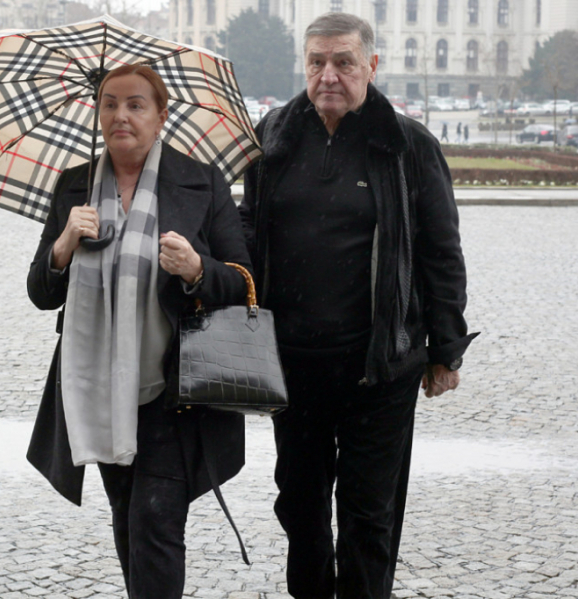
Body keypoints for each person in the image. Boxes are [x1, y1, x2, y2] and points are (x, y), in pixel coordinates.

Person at [239, 12, 477, 599]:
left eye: (343, 62)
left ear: (371, 65)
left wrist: (446, 349)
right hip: (293, 363)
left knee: (369, 513)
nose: (328, 75)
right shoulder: (273, 134)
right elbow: (247, 229)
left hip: (380, 365)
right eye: (317, 62)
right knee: (299, 506)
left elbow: (440, 251)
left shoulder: (406, 144)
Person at [25, 64, 252, 599]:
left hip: (173, 392)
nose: (120, 116)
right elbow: (40, 291)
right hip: (98, 392)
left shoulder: (201, 182)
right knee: (129, 518)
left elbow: (243, 280)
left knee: (156, 522)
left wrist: (196, 269)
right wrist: (63, 244)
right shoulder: (74, 186)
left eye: (135, 104)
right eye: (109, 104)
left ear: (161, 115)